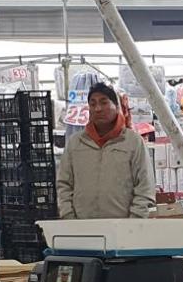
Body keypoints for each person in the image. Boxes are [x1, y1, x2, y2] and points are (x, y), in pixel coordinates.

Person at [56, 83, 155, 220]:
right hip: (81, 228)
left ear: (116, 106)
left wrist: (135, 220)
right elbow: (64, 184)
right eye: (92, 104)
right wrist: (68, 216)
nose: (98, 109)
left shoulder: (133, 142)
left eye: (104, 103)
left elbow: (145, 185)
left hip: (123, 228)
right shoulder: (75, 143)